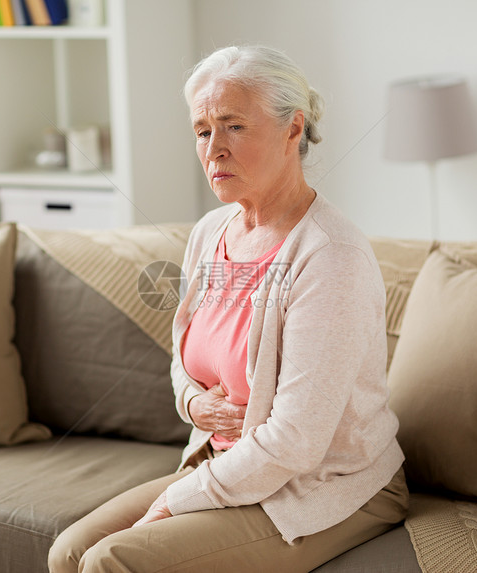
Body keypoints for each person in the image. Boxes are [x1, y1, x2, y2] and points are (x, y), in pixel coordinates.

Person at [48, 45, 407, 573]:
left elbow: (297, 443)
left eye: (234, 126)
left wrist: (176, 501)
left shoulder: (331, 257)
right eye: (202, 131)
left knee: (111, 563)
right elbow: (184, 359)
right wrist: (196, 407)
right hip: (231, 464)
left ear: (292, 129)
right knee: (69, 552)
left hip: (321, 485)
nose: (214, 149)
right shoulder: (209, 233)